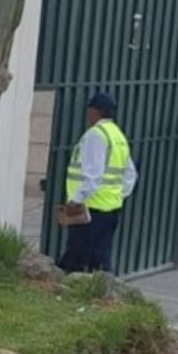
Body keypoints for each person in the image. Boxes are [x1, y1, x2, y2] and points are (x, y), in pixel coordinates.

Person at [57, 91, 136, 273]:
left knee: (77, 256)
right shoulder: (118, 136)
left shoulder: (95, 135)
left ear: (95, 111)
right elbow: (130, 174)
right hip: (111, 208)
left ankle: (73, 290)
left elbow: (93, 174)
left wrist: (75, 200)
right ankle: (101, 293)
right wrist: (117, 195)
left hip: (89, 208)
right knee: (100, 257)